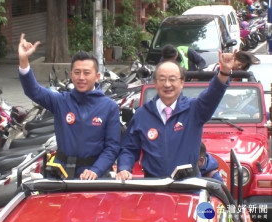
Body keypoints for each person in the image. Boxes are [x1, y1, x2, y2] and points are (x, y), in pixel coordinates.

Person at [116, 50, 235, 180]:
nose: (167, 84)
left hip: (189, 186)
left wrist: (224, 72)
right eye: (162, 79)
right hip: (154, 187)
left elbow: (213, 94)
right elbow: (129, 148)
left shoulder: (195, 109)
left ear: (182, 82)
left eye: (172, 79)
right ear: (155, 83)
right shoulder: (142, 115)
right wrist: (124, 168)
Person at [18, 33, 121, 180]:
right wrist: (23, 61)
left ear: (97, 77)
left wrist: (96, 170)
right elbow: (33, 90)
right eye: (77, 72)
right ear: (71, 74)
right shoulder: (61, 101)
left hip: (94, 177)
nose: (81, 77)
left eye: (87, 73)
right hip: (62, 174)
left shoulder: (109, 107)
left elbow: (112, 147)